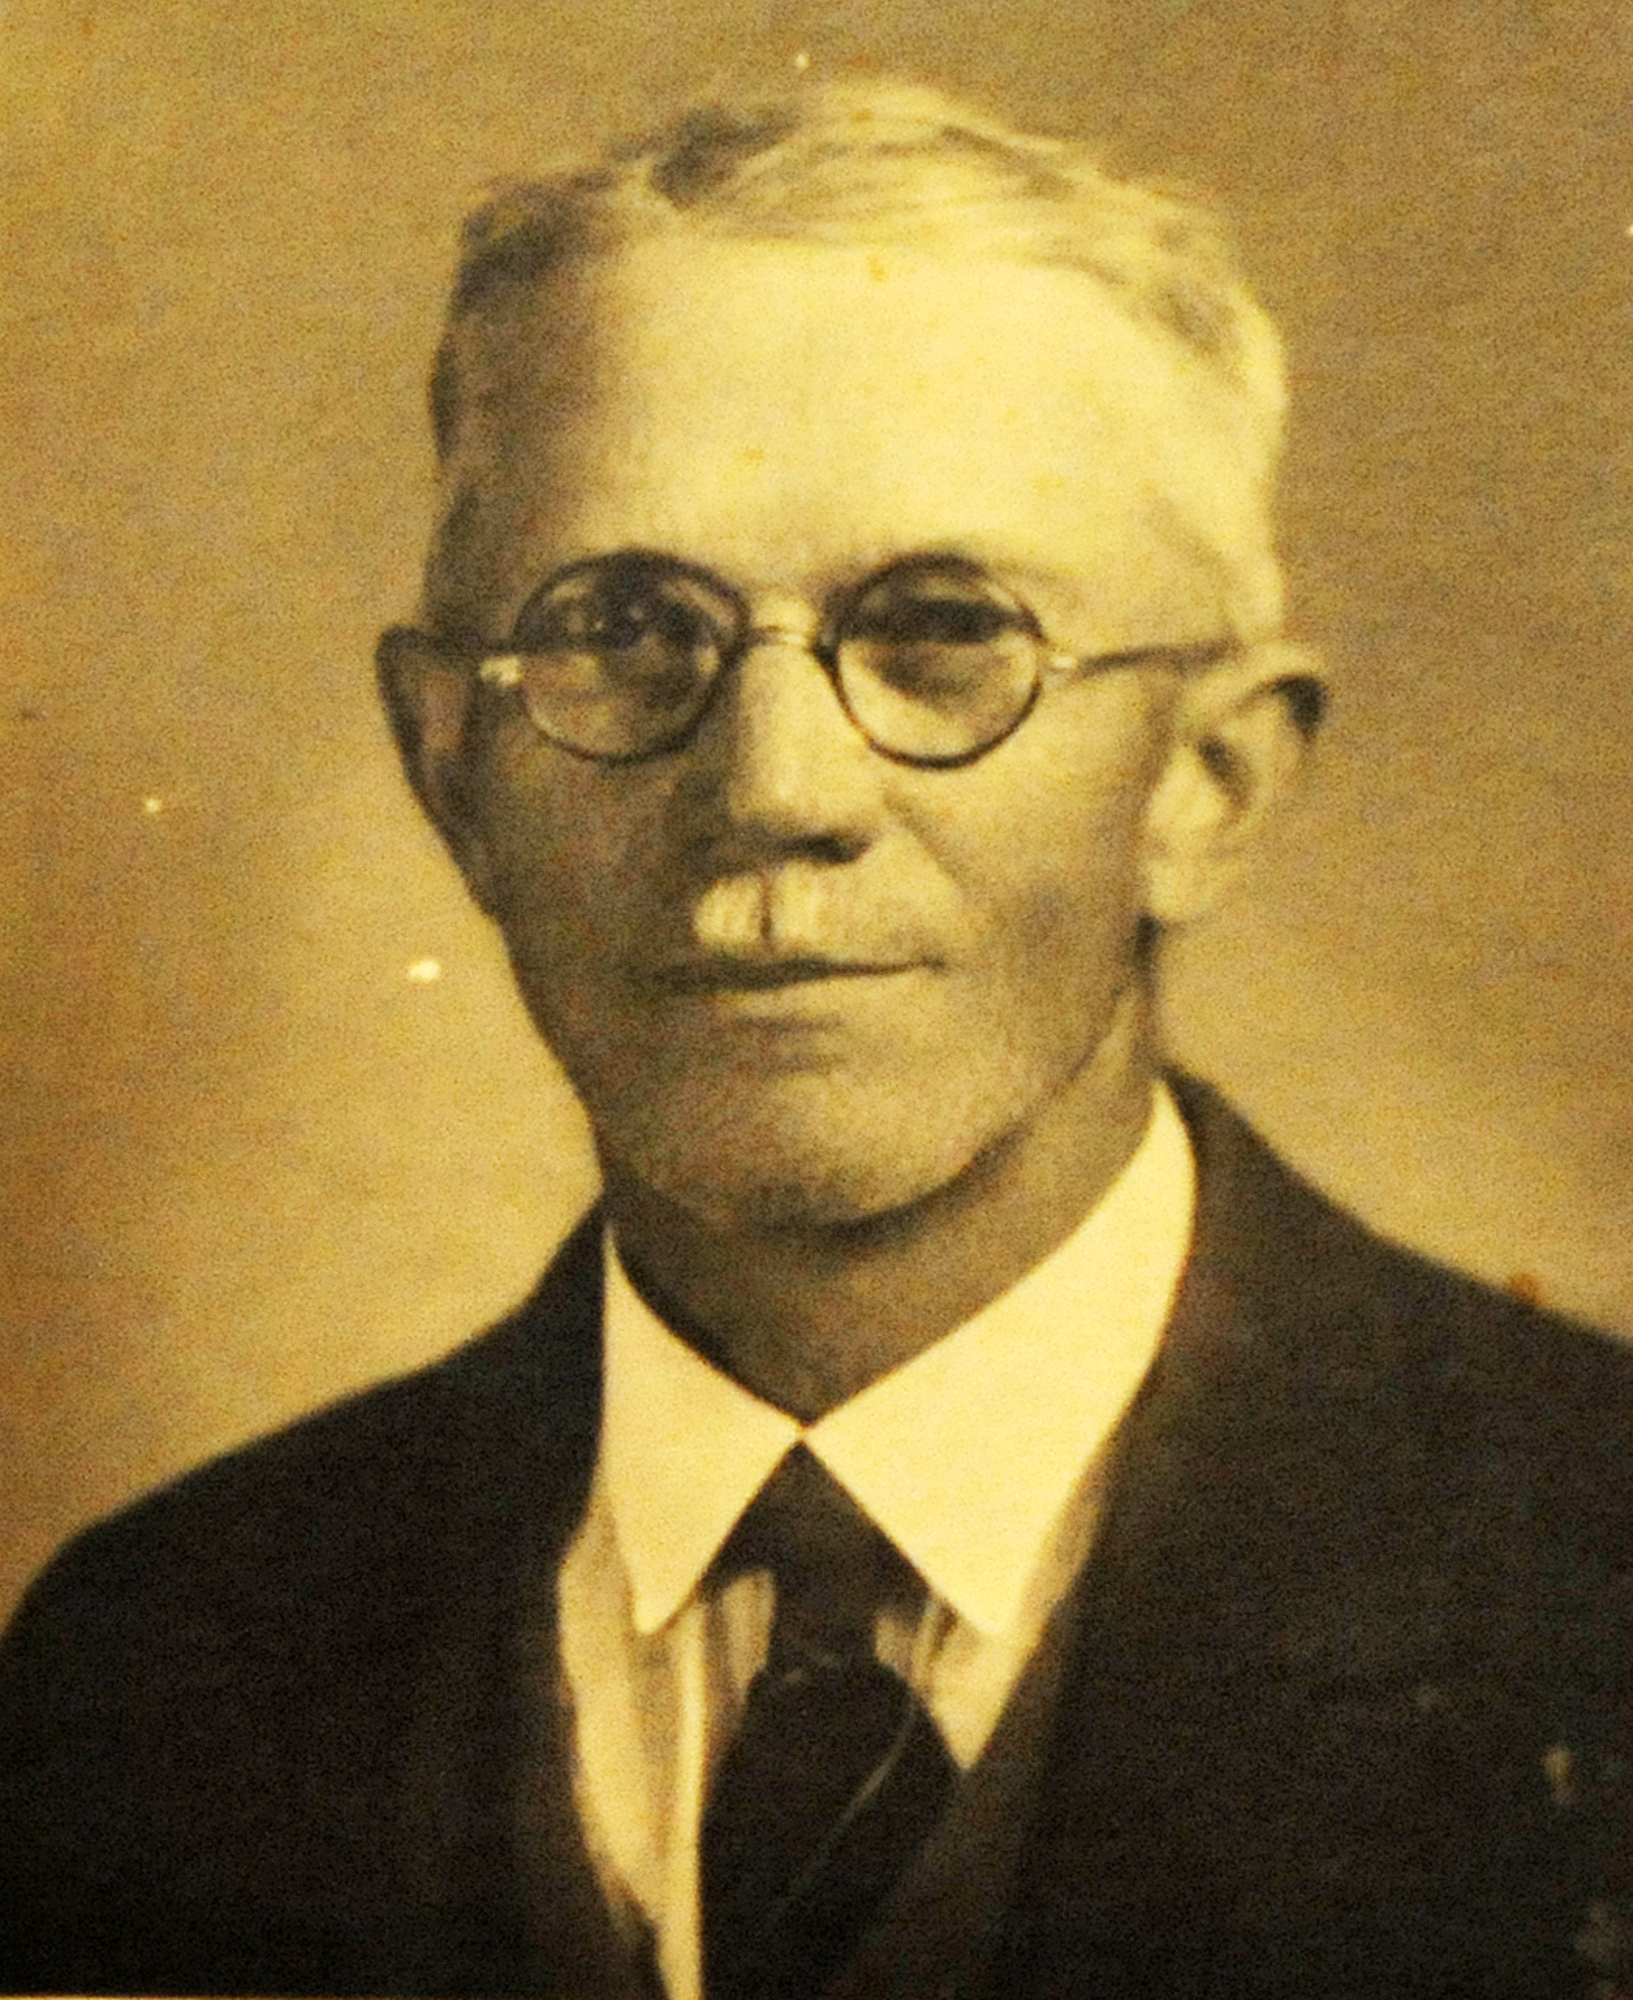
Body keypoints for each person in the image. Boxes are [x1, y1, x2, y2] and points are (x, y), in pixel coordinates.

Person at [1, 80, 1629, 2000]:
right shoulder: (155, 1660)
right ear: (450, 766)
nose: (774, 792)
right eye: (624, 627)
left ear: (1206, 782)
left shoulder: (1589, 1572)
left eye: (943, 628)